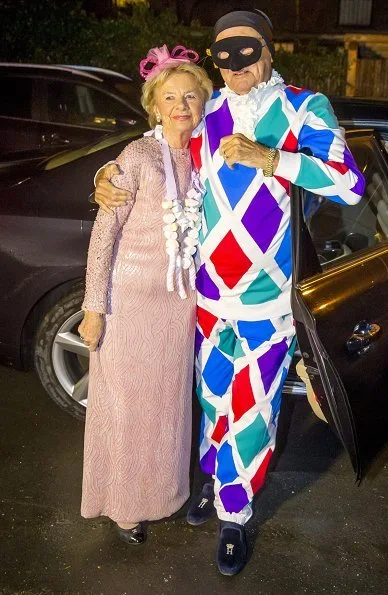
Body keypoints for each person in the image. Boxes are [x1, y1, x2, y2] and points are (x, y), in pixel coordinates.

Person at [94, 10, 365, 574]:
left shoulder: (303, 106)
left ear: (268, 51)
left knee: (253, 411)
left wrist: (271, 159)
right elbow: (161, 141)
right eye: (224, 55)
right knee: (213, 400)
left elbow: (349, 183)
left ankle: (235, 518)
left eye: (247, 51)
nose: (237, 65)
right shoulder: (211, 108)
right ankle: (214, 485)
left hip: (268, 301)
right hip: (207, 298)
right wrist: (104, 179)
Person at [79, 45, 213, 546]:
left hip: (179, 307)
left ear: (203, 104)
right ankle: (124, 506)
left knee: (167, 409)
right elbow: (103, 235)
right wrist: (94, 308)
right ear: (154, 105)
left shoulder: (206, 158)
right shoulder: (136, 156)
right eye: (171, 97)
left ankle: (164, 495)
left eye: (192, 96)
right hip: (128, 303)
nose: (182, 105)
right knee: (127, 409)